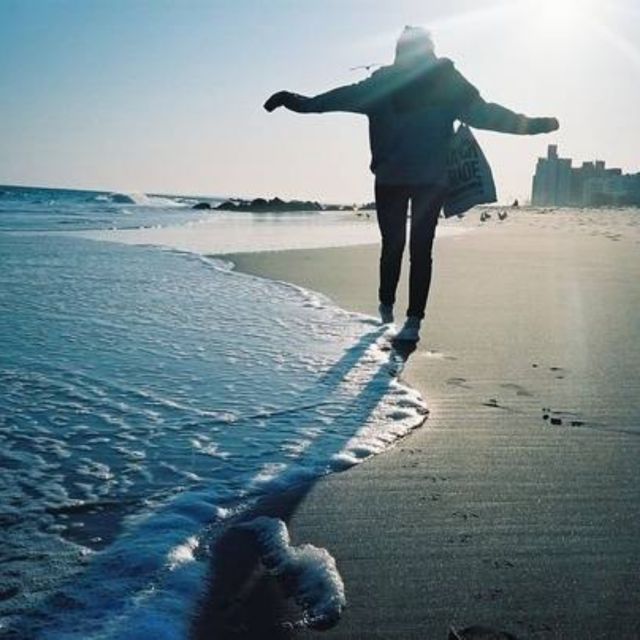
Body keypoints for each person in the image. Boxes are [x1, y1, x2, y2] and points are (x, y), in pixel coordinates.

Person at [264, 26, 558, 342]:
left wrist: (293, 100)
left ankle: (386, 311)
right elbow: (487, 115)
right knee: (421, 250)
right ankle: (412, 322)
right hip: (430, 181)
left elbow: (329, 101)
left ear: (399, 51)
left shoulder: (384, 84)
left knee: (392, 246)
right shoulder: (447, 83)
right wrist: (533, 125)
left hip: (392, 179)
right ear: (429, 50)